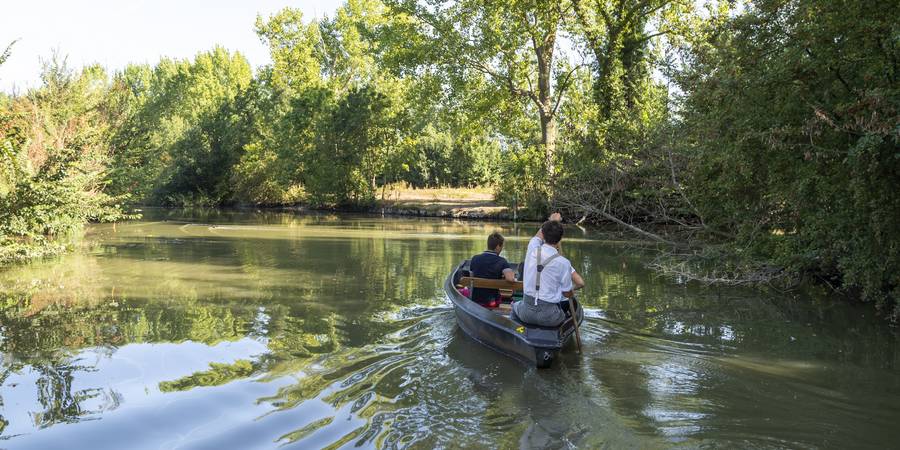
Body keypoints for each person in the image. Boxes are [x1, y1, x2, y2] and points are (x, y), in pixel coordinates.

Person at [513, 213, 584, 326]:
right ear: (560, 238)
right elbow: (566, 293)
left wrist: (552, 220)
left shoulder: (532, 249)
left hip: (526, 313)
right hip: (550, 317)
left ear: (544, 235)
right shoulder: (564, 263)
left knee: (514, 307)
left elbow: (538, 235)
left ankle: (518, 331)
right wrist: (571, 291)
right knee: (563, 314)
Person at [468, 231, 516, 306]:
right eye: (502, 247)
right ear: (497, 246)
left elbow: (472, 275)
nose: (502, 249)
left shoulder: (475, 258)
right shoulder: (502, 261)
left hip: (474, 300)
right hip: (491, 302)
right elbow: (510, 279)